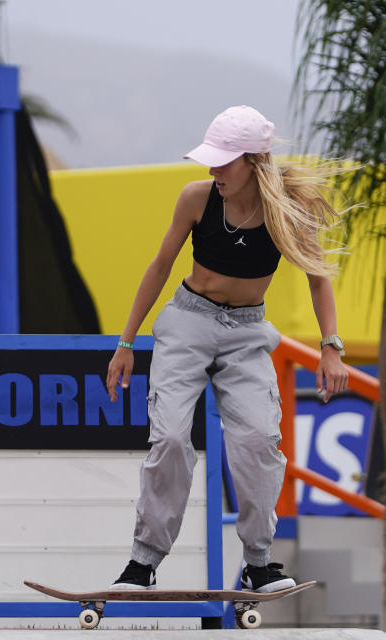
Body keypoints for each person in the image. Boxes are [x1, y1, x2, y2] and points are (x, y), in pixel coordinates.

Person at [104, 105, 350, 593]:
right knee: (171, 438)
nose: (212, 170)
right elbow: (158, 267)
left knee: (260, 441)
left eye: (223, 161)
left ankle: (259, 565)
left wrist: (331, 346)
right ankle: (142, 563)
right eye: (210, 159)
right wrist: (126, 341)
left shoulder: (288, 212)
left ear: (255, 161)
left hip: (247, 333)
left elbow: (319, 283)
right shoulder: (196, 198)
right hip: (188, 322)